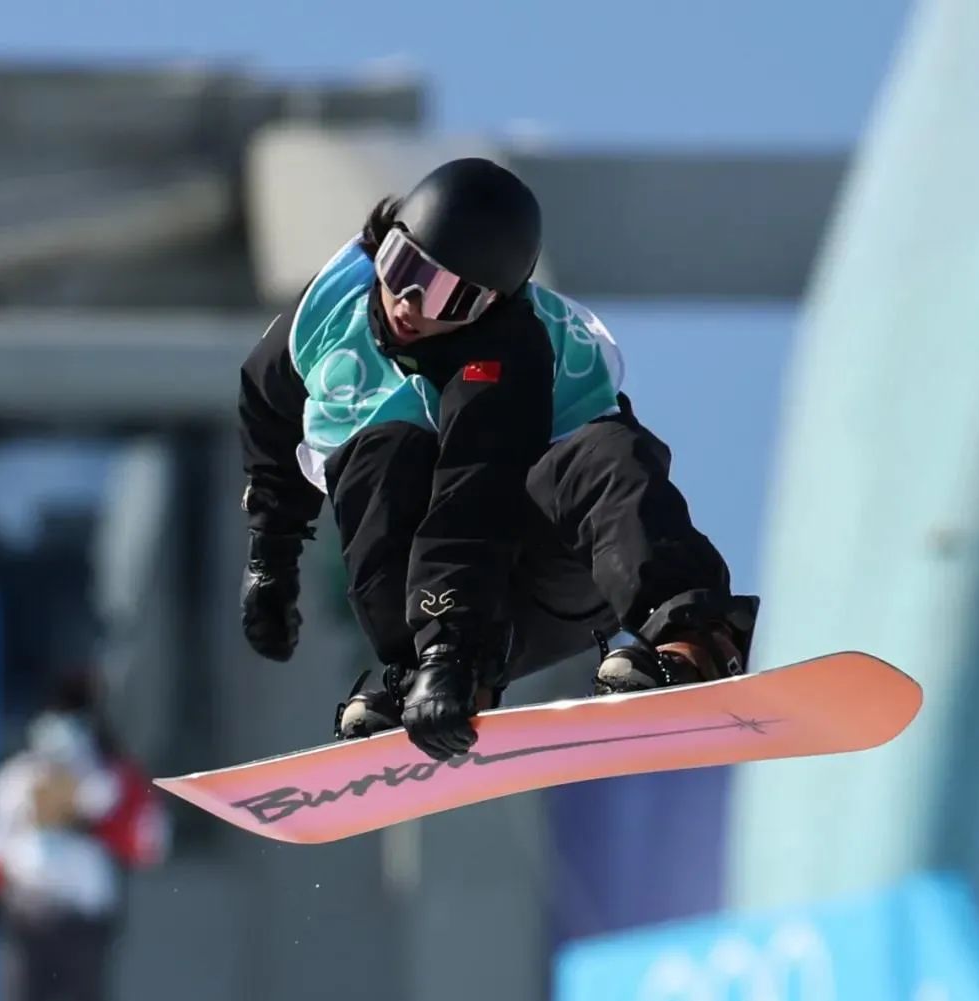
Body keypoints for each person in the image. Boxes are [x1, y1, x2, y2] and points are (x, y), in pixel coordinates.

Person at [238, 157, 758, 762]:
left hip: (559, 562)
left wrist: (452, 651)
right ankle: (425, 675)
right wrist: (271, 558)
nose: (408, 303)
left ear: (485, 307)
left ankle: (693, 639)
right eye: (402, 267)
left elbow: (474, 493)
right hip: (450, 597)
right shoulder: (328, 312)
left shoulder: (505, 348)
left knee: (603, 456)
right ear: (383, 243)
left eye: (443, 296)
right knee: (381, 451)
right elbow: (269, 414)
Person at [0, 675, 168, 1001]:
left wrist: (93, 823)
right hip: (27, 914)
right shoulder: (17, 780)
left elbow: (150, 841)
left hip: (84, 918)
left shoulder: (108, 780)